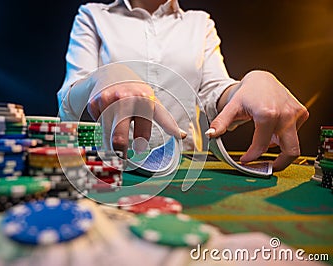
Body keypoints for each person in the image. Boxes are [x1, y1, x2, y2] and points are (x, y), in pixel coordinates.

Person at [57, 0, 309, 172]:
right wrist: (102, 78)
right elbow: (69, 99)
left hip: (184, 169)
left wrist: (252, 83)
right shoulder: (92, 15)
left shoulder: (200, 23)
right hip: (110, 167)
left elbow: (216, 92)